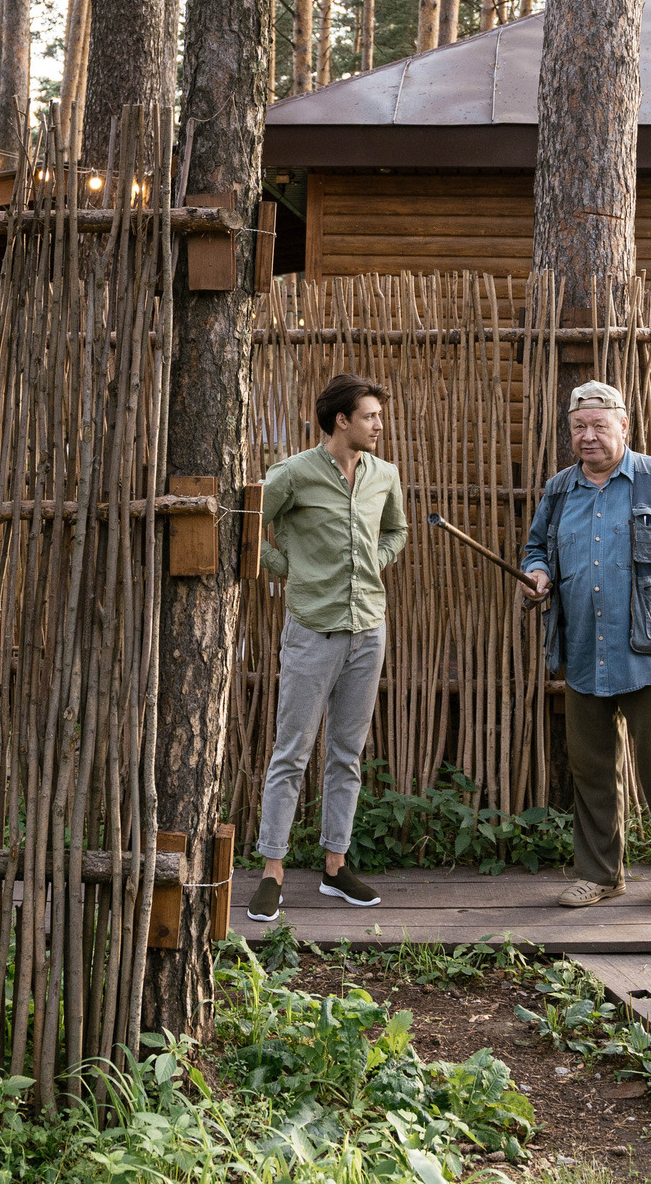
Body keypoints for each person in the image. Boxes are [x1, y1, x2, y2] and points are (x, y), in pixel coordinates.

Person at [519, 380, 651, 909]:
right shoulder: (558, 490)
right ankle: (600, 874)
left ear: (624, 427)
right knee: (592, 768)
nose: (588, 436)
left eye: (599, 425)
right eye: (579, 427)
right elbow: (534, 548)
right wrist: (538, 571)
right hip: (584, 649)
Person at [245, 374, 409, 923]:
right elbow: (248, 526)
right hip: (312, 628)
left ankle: (335, 868)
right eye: (370, 416)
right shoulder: (294, 473)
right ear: (342, 420)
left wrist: (378, 561)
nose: (379, 425)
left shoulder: (384, 474)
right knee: (291, 754)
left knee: (347, 754)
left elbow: (397, 531)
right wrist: (288, 569)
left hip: (369, 629)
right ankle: (272, 872)